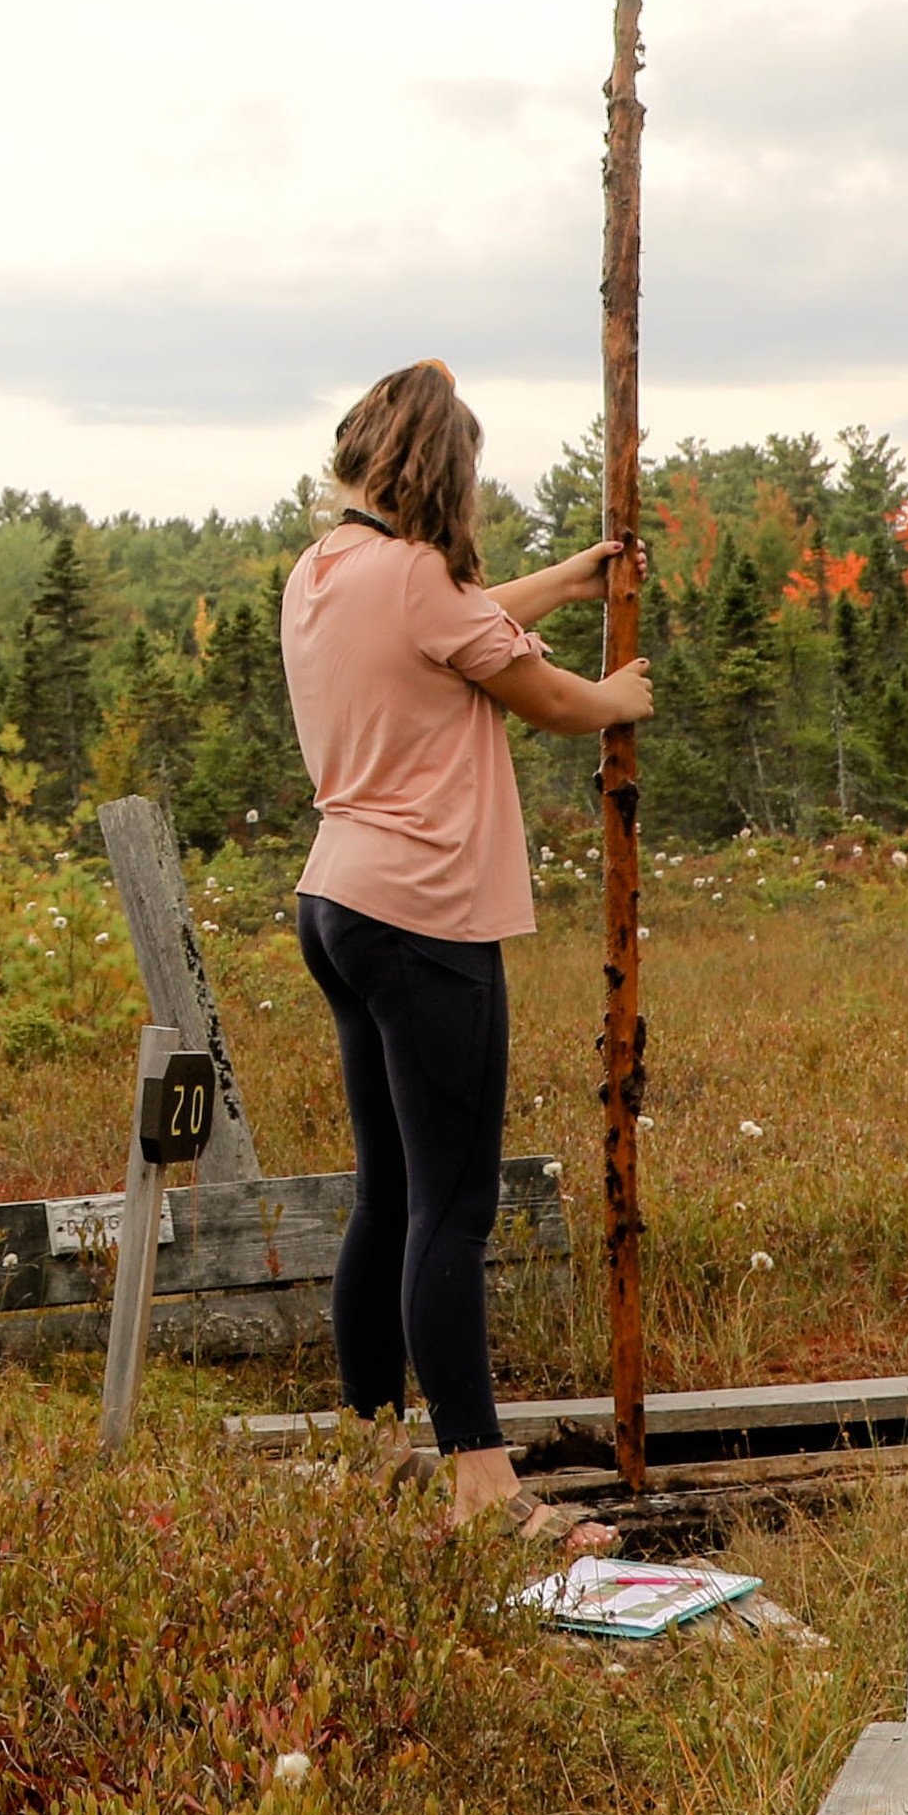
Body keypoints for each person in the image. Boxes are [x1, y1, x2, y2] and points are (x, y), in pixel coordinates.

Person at [281, 358, 651, 1544]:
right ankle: (482, 1487)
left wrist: (575, 576)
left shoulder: (327, 569)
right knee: (455, 1204)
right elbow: (543, 696)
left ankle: (370, 1445)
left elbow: (467, 626)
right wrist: (619, 695)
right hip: (427, 911)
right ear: (445, 471)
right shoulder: (423, 576)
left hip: (336, 902)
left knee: (388, 1194)